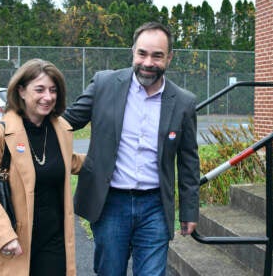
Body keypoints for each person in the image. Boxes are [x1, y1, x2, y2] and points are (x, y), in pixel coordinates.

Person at [64, 22, 201, 275]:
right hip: (110, 203)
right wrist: (22, 120)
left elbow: (189, 162)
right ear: (133, 52)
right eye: (142, 53)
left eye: (157, 55)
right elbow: (66, 121)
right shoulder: (104, 84)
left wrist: (189, 211)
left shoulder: (183, 102)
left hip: (155, 207)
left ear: (169, 58)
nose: (148, 62)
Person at [0, 58, 86, 276]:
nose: (48, 97)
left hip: (54, 243)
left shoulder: (61, 130)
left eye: (53, 90)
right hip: (13, 243)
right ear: (21, 91)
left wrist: (110, 159)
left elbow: (69, 162)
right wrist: (4, 235)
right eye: (39, 90)